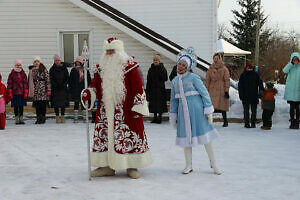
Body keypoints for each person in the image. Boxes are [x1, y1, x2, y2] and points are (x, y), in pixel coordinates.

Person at [81, 37, 152, 179]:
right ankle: (106, 166)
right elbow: (95, 85)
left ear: (119, 50)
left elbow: (138, 86)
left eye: (112, 51)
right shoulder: (101, 67)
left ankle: (131, 165)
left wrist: (138, 105)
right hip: (105, 110)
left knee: (129, 136)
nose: (109, 54)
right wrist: (89, 93)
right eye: (107, 51)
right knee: (105, 138)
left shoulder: (130, 66)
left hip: (126, 110)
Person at [169, 47, 221, 175]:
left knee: (206, 138)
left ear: (188, 67)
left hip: (198, 113)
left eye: (183, 65)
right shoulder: (175, 81)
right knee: (186, 139)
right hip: (183, 115)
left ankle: (214, 163)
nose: (180, 67)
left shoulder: (194, 78)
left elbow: (205, 94)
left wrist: (208, 111)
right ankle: (188, 165)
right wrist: (172, 115)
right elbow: (174, 100)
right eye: (179, 64)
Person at [206, 53, 230, 127]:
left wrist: (226, 90)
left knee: (222, 106)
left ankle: (225, 121)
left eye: (217, 58)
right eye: (214, 58)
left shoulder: (224, 69)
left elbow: (227, 80)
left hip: (221, 89)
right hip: (212, 89)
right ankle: (209, 121)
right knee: (210, 106)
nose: (215, 60)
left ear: (220, 59)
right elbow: (207, 80)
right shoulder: (210, 68)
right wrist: (206, 90)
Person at [238, 62, 264, 128]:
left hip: (254, 95)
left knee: (253, 111)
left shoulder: (256, 75)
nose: (249, 69)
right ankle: (246, 123)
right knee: (246, 111)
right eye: (248, 68)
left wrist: (261, 92)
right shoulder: (243, 75)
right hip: (245, 96)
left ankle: (253, 123)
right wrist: (241, 95)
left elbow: (260, 84)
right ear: (246, 68)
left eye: (250, 68)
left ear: (252, 68)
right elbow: (240, 86)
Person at [28, 56, 51, 124]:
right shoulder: (31, 70)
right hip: (35, 90)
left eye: (37, 61)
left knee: (43, 104)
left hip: (43, 89)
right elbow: (30, 81)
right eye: (35, 62)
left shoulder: (43, 69)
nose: (36, 63)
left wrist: (48, 89)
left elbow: (48, 80)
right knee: (37, 105)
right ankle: (38, 117)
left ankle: (43, 117)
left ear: (40, 62)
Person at [146, 54, 168, 124]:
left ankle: (160, 117)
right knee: (153, 104)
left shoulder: (162, 68)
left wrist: (159, 73)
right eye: (154, 60)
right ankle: (155, 117)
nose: (155, 61)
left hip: (160, 89)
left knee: (160, 104)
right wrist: (148, 89)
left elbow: (165, 78)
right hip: (152, 89)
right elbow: (148, 79)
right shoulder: (151, 69)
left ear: (159, 61)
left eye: (157, 60)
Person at [69, 56, 91, 123]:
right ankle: (76, 117)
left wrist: (87, 88)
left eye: (79, 62)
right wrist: (71, 88)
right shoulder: (73, 70)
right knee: (76, 103)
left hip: (83, 89)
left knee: (83, 103)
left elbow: (89, 79)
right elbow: (71, 80)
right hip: (75, 89)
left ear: (81, 63)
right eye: (77, 62)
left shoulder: (85, 70)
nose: (77, 63)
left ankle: (84, 117)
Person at [7, 59, 28, 125]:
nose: (18, 66)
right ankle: (16, 118)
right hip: (15, 92)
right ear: (15, 65)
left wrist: (26, 90)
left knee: (21, 106)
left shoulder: (23, 73)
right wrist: (10, 90)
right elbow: (9, 82)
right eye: (17, 65)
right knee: (16, 106)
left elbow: (25, 82)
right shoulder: (12, 73)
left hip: (21, 92)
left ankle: (21, 118)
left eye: (19, 65)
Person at [50, 54, 69, 123]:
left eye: (58, 60)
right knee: (56, 103)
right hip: (55, 88)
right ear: (54, 61)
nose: (57, 62)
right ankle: (57, 116)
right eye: (56, 60)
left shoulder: (64, 68)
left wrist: (64, 84)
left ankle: (63, 116)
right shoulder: (52, 69)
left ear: (60, 61)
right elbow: (51, 78)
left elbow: (67, 77)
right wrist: (55, 85)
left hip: (63, 88)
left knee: (63, 103)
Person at [282, 52, 300, 129]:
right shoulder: (290, 66)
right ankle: (292, 121)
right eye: (294, 59)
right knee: (292, 107)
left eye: (296, 59)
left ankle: (297, 121)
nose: (295, 60)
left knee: (298, 107)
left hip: (298, 90)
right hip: (291, 90)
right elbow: (284, 71)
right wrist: (291, 64)